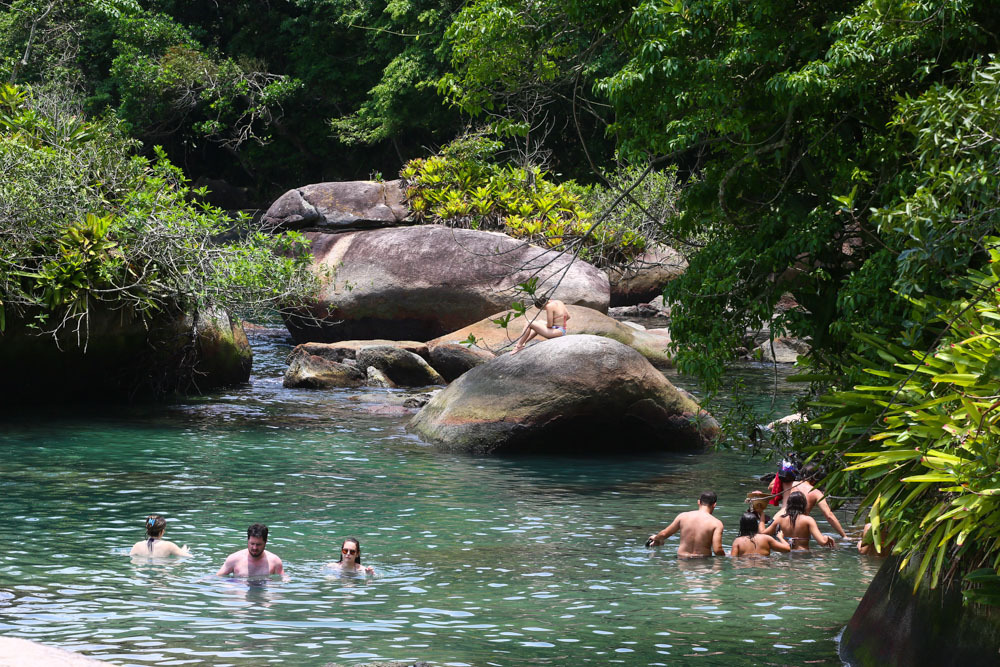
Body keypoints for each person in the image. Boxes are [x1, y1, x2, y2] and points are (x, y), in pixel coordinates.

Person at [646, 491, 726, 557]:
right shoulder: (716, 523)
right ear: (714, 505)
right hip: (702, 562)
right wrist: (727, 556)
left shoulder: (683, 516)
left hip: (682, 559)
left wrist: (655, 538)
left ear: (698, 502)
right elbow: (717, 550)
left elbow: (664, 534)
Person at [762, 491, 835, 551]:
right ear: (804, 504)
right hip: (803, 555)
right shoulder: (808, 520)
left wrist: (761, 515)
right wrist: (827, 538)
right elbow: (822, 542)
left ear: (789, 504)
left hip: (786, 555)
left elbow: (764, 534)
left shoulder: (780, 519)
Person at [796, 463, 847, 538]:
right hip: (800, 527)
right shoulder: (816, 493)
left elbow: (772, 487)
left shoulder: (790, 485)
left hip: (782, 523)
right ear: (816, 478)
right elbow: (829, 516)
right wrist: (844, 536)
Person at [217, 523, 284, 577]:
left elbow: (283, 582)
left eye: (258, 544)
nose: (254, 548)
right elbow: (218, 578)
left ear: (265, 542)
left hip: (264, 592)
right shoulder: (234, 559)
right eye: (252, 543)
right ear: (247, 540)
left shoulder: (275, 562)